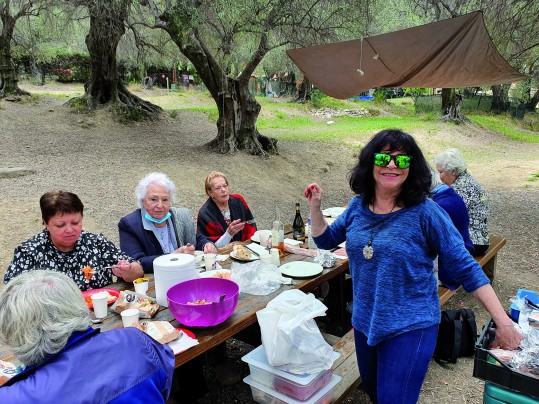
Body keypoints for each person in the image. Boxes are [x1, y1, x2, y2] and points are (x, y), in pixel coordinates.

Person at [304, 129, 523, 403]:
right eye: (384, 158)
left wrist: (503, 323)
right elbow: (326, 239)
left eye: (402, 160)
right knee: (374, 393)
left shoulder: (427, 212)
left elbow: (467, 268)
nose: (392, 165)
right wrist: (315, 207)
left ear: (413, 168)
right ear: (371, 162)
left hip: (411, 325)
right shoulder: (357, 206)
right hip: (365, 322)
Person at [0, 270, 175, 402]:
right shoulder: (136, 340)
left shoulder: (13, 397)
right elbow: (164, 382)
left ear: (16, 335)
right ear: (78, 305)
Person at [4, 191, 143, 290]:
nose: (70, 230)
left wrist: (128, 270)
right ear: (45, 223)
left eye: (75, 223)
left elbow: (137, 270)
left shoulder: (96, 243)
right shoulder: (29, 252)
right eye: (60, 225)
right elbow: (12, 293)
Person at [118, 172, 218, 273]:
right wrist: (172, 257)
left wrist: (206, 245)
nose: (160, 205)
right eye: (153, 199)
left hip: (183, 273)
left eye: (165, 200)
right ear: (142, 201)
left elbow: (193, 239)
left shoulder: (180, 216)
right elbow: (135, 262)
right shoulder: (129, 224)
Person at [435, 148, 490, 255]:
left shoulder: (461, 188)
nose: (439, 177)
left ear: (453, 171)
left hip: (473, 242)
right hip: (479, 238)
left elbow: (446, 216)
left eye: (440, 172)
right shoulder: (464, 180)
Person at [197, 171, 257, 247]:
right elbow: (210, 246)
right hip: (221, 255)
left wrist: (249, 245)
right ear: (210, 193)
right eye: (217, 188)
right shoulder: (205, 213)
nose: (223, 190)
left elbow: (251, 226)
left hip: (246, 250)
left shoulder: (238, 200)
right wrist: (228, 234)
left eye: (225, 186)